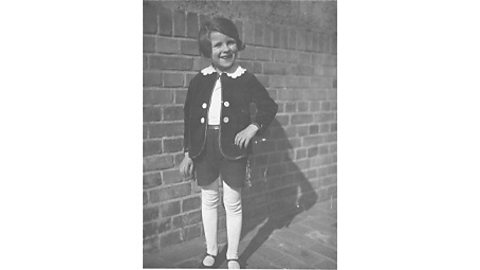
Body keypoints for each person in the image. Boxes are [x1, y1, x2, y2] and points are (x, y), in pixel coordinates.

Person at [179, 17, 278, 269]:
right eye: (217, 45)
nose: (225, 50)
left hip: (233, 150)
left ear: (237, 44)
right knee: (209, 199)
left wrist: (253, 127)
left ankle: (232, 253)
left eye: (230, 42)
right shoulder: (199, 80)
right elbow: (189, 117)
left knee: (232, 202)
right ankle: (212, 250)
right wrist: (188, 153)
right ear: (207, 51)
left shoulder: (245, 78)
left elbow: (269, 106)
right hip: (203, 148)